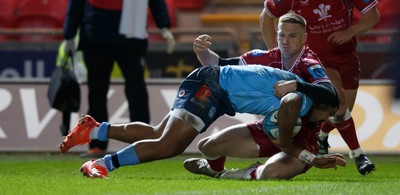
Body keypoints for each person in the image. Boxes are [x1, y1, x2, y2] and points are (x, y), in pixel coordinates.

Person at [59, 64, 342, 178]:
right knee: (169, 145)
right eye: (326, 114)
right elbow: (285, 135)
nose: (323, 121)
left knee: (160, 132)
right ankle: (100, 163)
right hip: (212, 87)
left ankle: (95, 129)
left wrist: (299, 150)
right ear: (322, 106)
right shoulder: (300, 100)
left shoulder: (298, 89)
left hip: (217, 88)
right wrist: (302, 152)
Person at [260, 0, 379, 175]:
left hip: (346, 57)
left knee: (338, 114)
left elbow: (373, 15)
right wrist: (277, 53)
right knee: (340, 103)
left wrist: (349, 32)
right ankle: (359, 155)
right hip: (316, 62)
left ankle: (322, 137)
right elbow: (266, 15)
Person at [184, 12, 340, 179]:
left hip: (302, 138)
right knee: (207, 147)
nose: (285, 41)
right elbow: (219, 65)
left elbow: (332, 96)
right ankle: (215, 170)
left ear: (304, 38)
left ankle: (239, 174)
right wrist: (202, 51)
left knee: (270, 173)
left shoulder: (309, 63)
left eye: (293, 36)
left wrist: (296, 85)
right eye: (282, 35)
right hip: (271, 127)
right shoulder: (266, 58)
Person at [62, 0, 175, 157]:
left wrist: (164, 25)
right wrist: (69, 34)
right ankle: (97, 144)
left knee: (136, 89)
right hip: (96, 31)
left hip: (131, 31)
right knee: (97, 91)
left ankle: (145, 144)